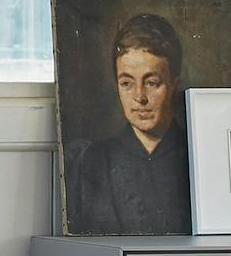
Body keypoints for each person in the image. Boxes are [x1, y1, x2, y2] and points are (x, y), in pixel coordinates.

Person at [66, 13, 194, 235]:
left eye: (152, 83)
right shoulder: (88, 160)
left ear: (174, 85)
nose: (139, 97)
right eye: (126, 83)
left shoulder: (195, 154)